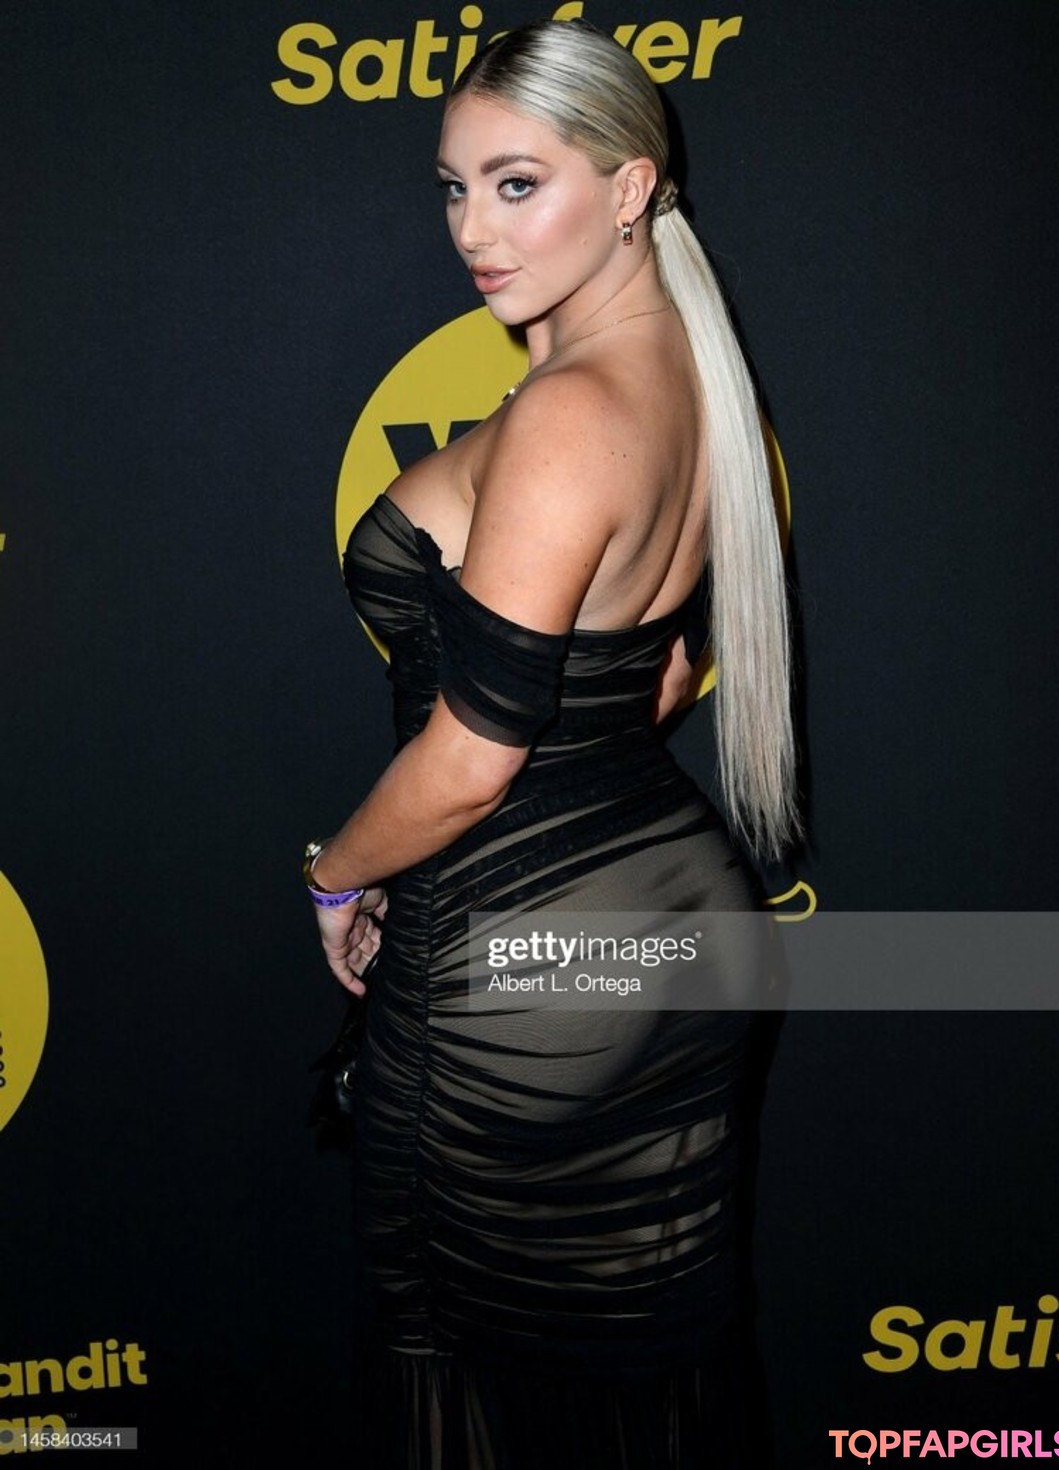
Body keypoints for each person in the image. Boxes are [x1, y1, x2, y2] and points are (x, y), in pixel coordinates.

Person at [305, 18, 798, 1469]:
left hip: (521, 956)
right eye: (455, 188)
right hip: (672, 917)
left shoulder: (573, 412)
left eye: (517, 184)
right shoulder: (691, 375)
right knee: (644, 1369)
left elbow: (473, 757)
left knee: (462, 1359)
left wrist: (339, 874)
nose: (473, 229)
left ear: (630, 186)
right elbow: (665, 672)